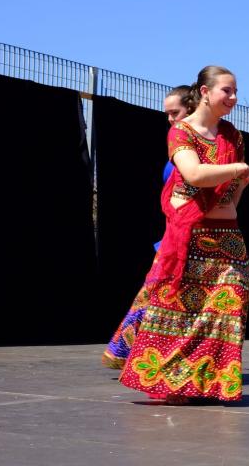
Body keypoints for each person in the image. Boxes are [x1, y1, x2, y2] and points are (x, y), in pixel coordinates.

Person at [118, 66, 249, 404]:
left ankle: (210, 382)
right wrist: (240, 169)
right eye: (227, 90)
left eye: (235, 91)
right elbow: (194, 174)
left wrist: (230, 200)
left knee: (229, 307)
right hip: (192, 235)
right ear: (205, 92)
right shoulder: (181, 132)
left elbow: (234, 187)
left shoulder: (232, 135)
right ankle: (173, 382)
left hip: (228, 237)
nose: (234, 97)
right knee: (181, 311)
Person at [102, 86, 196, 372]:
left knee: (166, 298)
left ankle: (146, 355)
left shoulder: (198, 147)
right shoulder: (180, 147)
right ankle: (132, 353)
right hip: (174, 236)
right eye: (167, 114)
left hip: (191, 235)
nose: (170, 119)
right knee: (156, 295)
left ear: (191, 109)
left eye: (175, 112)